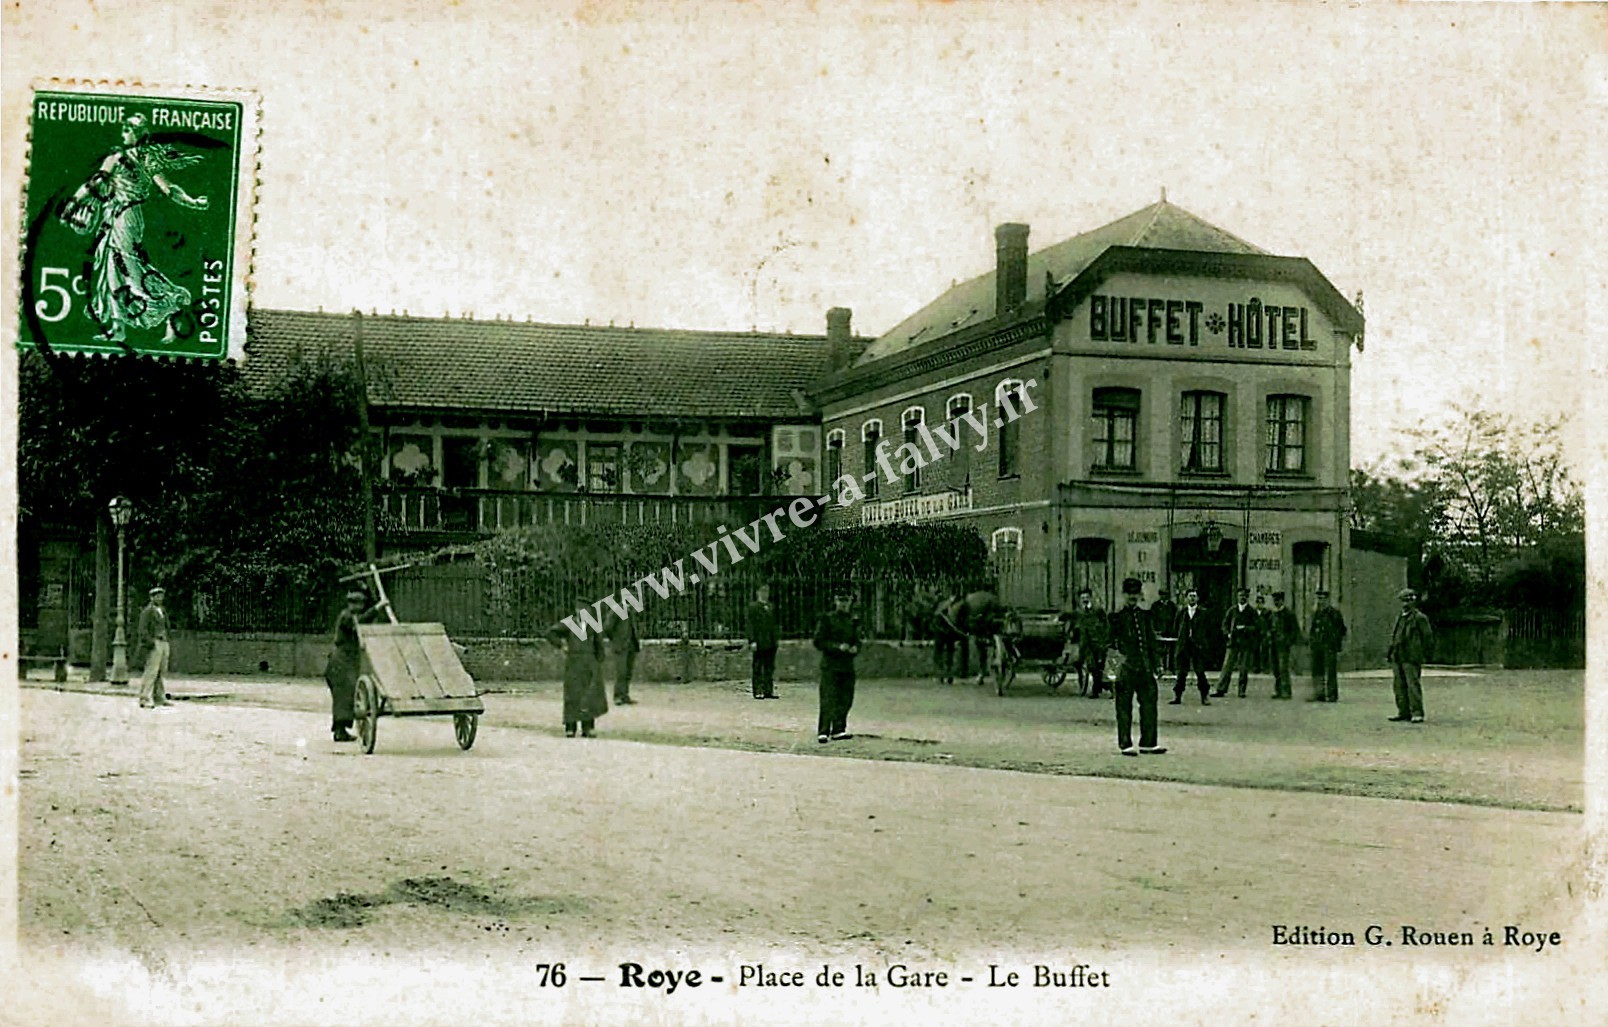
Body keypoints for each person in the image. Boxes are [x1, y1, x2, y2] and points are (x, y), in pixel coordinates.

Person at [58, 112, 210, 344]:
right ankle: (119, 327)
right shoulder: (135, 159)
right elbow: (96, 184)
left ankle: (171, 305)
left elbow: (168, 189)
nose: (124, 133)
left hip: (125, 217)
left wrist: (192, 202)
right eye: (124, 128)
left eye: (129, 129)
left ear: (139, 134)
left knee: (129, 267)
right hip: (120, 216)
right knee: (113, 270)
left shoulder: (125, 159)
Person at [1108, 577, 1165, 757]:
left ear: (1140, 595)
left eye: (1136, 593)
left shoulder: (1144, 616)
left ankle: (1149, 742)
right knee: (1124, 707)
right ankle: (1125, 743)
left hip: (1145, 667)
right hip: (1126, 669)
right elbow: (1110, 645)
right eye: (1129, 594)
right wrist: (1112, 673)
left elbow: (1151, 643)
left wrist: (1158, 665)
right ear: (1124, 595)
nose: (1133, 597)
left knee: (1149, 704)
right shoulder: (1115, 618)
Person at [323, 588, 388, 741]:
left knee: (348, 694)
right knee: (344, 695)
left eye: (362, 605)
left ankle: (341, 730)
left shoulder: (354, 616)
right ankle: (340, 731)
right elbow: (358, 624)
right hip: (339, 662)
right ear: (352, 604)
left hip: (348, 661)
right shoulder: (346, 616)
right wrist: (377, 607)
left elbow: (365, 621)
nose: (360, 608)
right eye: (358, 605)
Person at [548, 605, 609, 737]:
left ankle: (588, 727)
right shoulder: (569, 623)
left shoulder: (593, 625)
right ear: (576, 611)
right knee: (573, 694)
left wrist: (597, 662)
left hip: (589, 663)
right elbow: (551, 633)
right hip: (574, 662)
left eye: (586, 610)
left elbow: (599, 645)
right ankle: (571, 727)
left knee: (589, 695)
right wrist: (562, 645)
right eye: (580, 610)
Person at [813, 589, 860, 742]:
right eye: (841, 600)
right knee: (828, 698)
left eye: (846, 601)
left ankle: (839, 728)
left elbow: (857, 640)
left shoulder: (852, 620)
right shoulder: (827, 619)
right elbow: (819, 641)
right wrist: (837, 647)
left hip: (847, 665)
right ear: (835, 601)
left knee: (846, 698)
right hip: (831, 665)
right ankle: (823, 730)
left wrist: (855, 648)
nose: (844, 604)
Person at [1386, 588, 1434, 724]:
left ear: (1413, 601)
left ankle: (1417, 712)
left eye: (1408, 600)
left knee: (1412, 685)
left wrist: (1424, 655)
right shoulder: (1400, 617)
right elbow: (1395, 636)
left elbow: (1428, 638)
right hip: (1398, 655)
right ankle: (1403, 711)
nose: (1405, 604)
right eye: (1403, 601)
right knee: (1399, 685)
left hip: (1411, 656)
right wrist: (1391, 652)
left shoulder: (1420, 618)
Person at [955, 585, 1007, 686]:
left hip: (981, 626)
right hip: (995, 625)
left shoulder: (970, 599)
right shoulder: (994, 598)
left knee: (980, 647)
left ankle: (981, 671)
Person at [1064, 587, 1110, 698]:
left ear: (1090, 598)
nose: (1084, 599)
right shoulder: (1079, 612)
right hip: (1085, 643)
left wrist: (1105, 638)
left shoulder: (1098, 610)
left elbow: (1106, 625)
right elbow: (1070, 620)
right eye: (1082, 598)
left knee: (1098, 667)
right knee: (1088, 665)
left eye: (1087, 597)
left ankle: (1100, 688)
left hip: (1098, 642)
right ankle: (1093, 688)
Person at [1169, 588, 1213, 705]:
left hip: (1198, 646)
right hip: (1184, 646)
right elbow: (1176, 628)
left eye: (1194, 596)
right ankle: (1177, 696)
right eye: (1190, 596)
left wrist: (1203, 642)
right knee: (1182, 672)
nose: (1192, 598)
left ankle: (1204, 696)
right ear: (1186, 598)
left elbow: (1209, 630)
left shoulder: (1203, 613)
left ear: (1197, 598)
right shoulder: (1182, 613)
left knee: (1200, 671)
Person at [1215, 587, 1259, 698]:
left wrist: (1246, 628)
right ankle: (1221, 689)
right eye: (1240, 595)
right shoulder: (1232, 610)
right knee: (1227, 666)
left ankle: (1241, 691)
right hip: (1233, 642)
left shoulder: (1252, 612)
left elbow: (1257, 627)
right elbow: (1224, 624)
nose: (1242, 598)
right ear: (1237, 597)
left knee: (1243, 668)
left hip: (1245, 643)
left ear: (1247, 597)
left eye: (1244, 596)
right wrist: (1227, 633)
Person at [1307, 589, 1347, 703]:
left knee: (1330, 671)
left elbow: (1342, 630)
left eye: (1323, 599)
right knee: (1317, 671)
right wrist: (1312, 641)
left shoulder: (1334, 613)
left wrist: (1335, 642)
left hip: (1329, 646)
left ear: (1327, 600)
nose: (1321, 601)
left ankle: (1331, 694)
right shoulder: (1316, 614)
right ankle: (1319, 694)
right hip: (1317, 647)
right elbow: (1313, 630)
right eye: (1319, 598)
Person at [136, 586, 172, 710]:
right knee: (151, 671)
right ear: (152, 597)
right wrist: (150, 642)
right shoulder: (147, 611)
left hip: (163, 642)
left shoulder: (162, 610)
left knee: (161, 671)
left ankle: (159, 697)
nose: (160, 598)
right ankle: (144, 697)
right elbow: (142, 629)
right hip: (155, 642)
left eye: (161, 595)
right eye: (157, 596)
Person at [1266, 591, 1302, 699]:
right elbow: (1268, 628)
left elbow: (1295, 631)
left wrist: (1288, 641)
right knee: (1276, 668)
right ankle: (1278, 691)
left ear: (1282, 601)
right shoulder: (1272, 614)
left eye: (1278, 600)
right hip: (1273, 645)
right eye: (1274, 600)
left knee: (1283, 668)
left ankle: (1286, 691)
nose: (1276, 602)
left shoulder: (1289, 614)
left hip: (1283, 646)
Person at [747, 583, 780, 699]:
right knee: (757, 666)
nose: (765, 594)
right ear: (758, 592)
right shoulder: (753, 607)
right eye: (763, 591)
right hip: (759, 641)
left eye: (767, 591)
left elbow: (774, 625)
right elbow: (750, 625)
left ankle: (768, 690)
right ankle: (757, 690)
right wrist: (752, 641)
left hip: (770, 641)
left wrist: (775, 639)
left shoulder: (771, 607)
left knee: (769, 667)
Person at [931, 588, 966, 684]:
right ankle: (945, 675)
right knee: (947, 653)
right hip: (947, 632)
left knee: (942, 653)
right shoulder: (947, 604)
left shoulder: (942, 604)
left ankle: (943, 675)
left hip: (943, 632)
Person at [606, 613, 639, 705]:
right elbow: (607, 628)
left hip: (631, 645)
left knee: (628, 672)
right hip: (620, 646)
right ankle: (618, 696)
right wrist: (616, 639)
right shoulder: (616, 610)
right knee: (621, 671)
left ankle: (625, 695)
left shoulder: (632, 612)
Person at [1149, 588, 1179, 675]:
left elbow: (1175, 618)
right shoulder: (1155, 606)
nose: (1164, 597)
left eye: (1166, 595)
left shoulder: (1172, 606)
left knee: (1171, 650)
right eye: (1162, 595)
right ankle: (1160, 668)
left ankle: (1171, 668)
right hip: (1159, 631)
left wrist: (1174, 629)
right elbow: (1153, 619)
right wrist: (1155, 630)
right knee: (1160, 650)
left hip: (1170, 632)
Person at [1252, 593, 1271, 674]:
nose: (1260, 604)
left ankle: (1265, 668)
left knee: (1264, 651)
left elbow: (1269, 622)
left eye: (1261, 602)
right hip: (1255, 634)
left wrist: (1268, 632)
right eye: (1258, 602)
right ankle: (1256, 668)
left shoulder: (1267, 612)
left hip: (1264, 633)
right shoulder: (1253, 612)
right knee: (1255, 651)